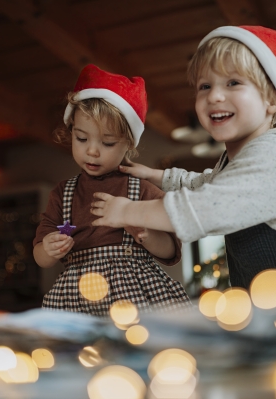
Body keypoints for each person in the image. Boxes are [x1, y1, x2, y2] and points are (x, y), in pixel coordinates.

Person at [91, 26, 276, 313]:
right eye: (205, 86)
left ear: (272, 100)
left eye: (233, 83)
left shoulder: (274, 157)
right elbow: (209, 182)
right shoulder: (239, 161)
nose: (214, 96)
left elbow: (207, 206)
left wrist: (125, 211)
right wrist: (158, 176)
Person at [33, 64, 191, 316]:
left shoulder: (141, 188)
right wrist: (48, 249)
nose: (92, 151)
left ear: (128, 143)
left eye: (107, 142)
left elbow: (171, 251)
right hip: (77, 297)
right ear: (71, 131)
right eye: (82, 139)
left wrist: (145, 234)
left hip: (132, 297)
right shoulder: (63, 193)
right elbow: (40, 256)